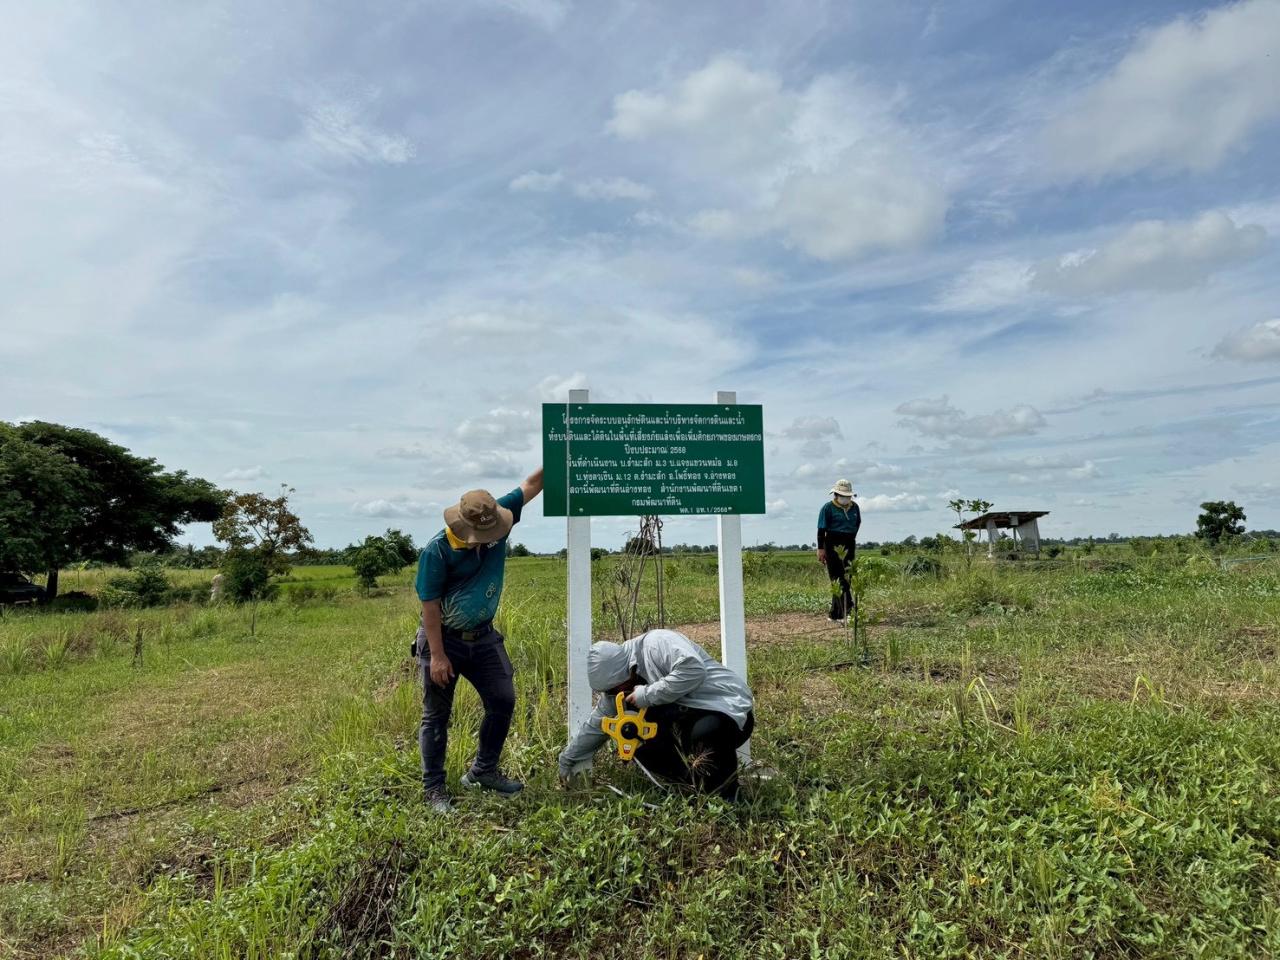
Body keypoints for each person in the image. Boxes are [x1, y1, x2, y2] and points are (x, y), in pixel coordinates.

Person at [414, 466, 544, 813]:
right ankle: (434, 789)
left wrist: (566, 444)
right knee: (436, 715)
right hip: (444, 639)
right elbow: (429, 607)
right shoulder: (437, 552)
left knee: (503, 699)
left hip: (483, 637)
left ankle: (483, 770)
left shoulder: (497, 514)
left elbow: (532, 483)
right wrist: (438, 656)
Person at [558, 629, 755, 799]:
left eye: (619, 689)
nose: (617, 696)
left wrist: (648, 694)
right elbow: (598, 725)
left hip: (726, 708)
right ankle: (692, 789)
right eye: (611, 693)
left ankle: (727, 797)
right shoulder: (617, 688)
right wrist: (567, 759)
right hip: (686, 717)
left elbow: (694, 670)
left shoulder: (657, 643)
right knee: (635, 739)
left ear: (628, 670)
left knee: (705, 732)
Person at [817, 478, 861, 622]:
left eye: (847, 496)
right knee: (837, 579)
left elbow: (857, 524)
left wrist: (850, 540)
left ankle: (835, 613)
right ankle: (849, 610)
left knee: (847, 577)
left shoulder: (855, 508)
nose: (845, 498)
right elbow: (821, 530)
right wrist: (821, 549)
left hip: (849, 543)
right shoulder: (827, 508)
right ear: (835, 494)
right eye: (842, 495)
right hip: (832, 544)